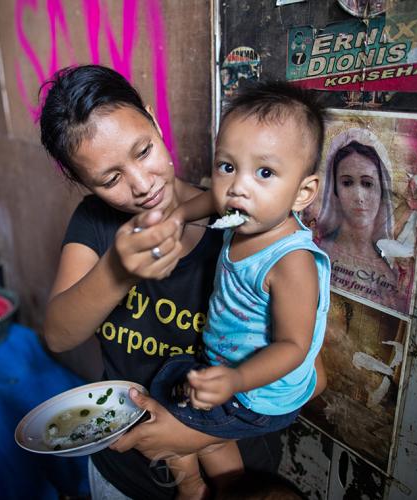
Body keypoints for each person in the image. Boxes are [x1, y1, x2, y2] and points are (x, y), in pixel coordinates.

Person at [39, 65, 324, 500]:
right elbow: (59, 335)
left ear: (155, 122)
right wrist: (119, 268)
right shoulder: (94, 225)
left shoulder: (246, 223)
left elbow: (312, 372)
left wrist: (188, 436)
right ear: (83, 185)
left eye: (144, 150)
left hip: (241, 467)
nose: (141, 184)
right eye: (110, 179)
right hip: (125, 476)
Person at [147, 81, 331, 498]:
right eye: (227, 166)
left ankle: (192, 485)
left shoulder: (290, 262)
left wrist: (235, 379)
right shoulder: (247, 211)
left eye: (264, 172)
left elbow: (292, 346)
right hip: (229, 370)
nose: (238, 187)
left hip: (260, 391)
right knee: (198, 404)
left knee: (165, 399)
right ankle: (229, 485)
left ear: (303, 192)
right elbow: (211, 202)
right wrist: (177, 217)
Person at [312, 130, 401, 309]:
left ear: (381, 190)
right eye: (347, 183)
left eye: (367, 184)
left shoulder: (388, 277)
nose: (359, 196)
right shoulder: (314, 250)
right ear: (334, 190)